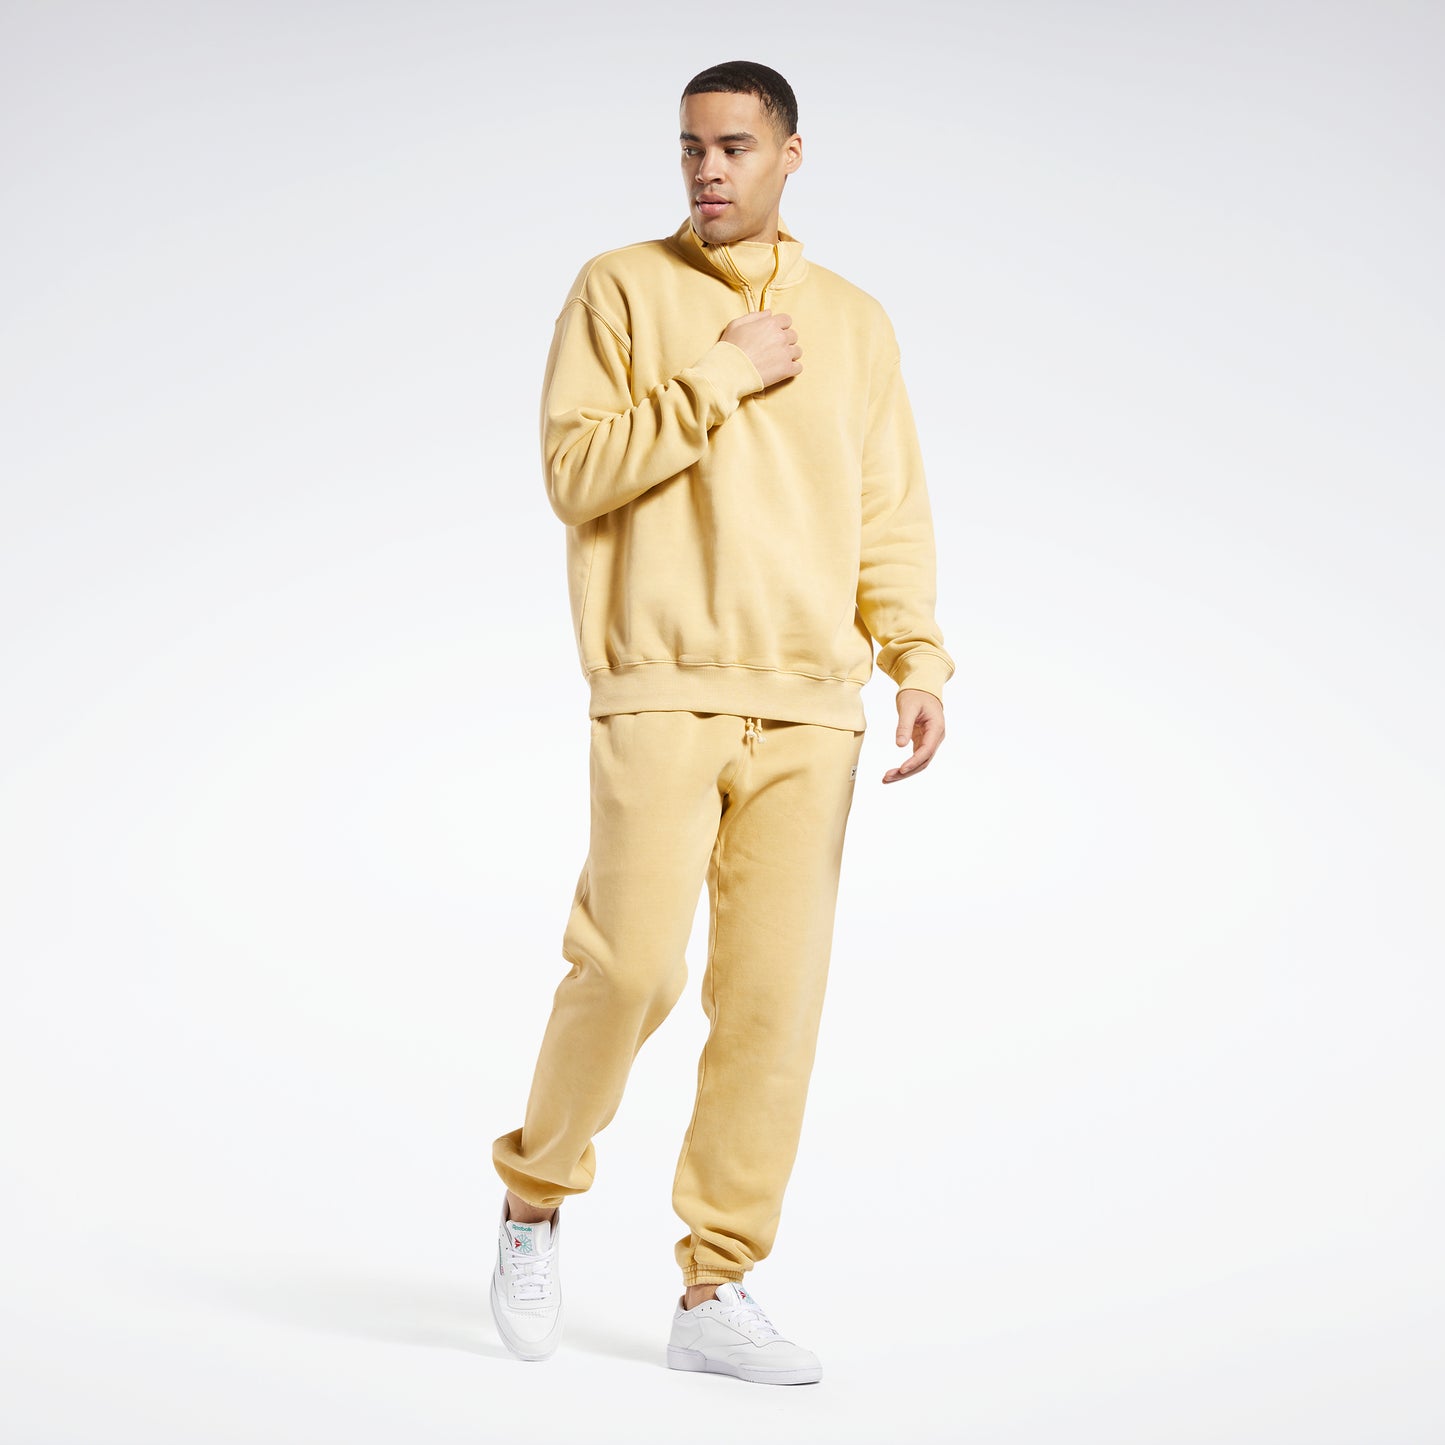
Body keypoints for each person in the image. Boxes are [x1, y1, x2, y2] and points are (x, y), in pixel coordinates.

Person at [489, 59, 954, 1386]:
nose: (707, 169)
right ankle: (532, 1195)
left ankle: (717, 1283)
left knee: (770, 1006)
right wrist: (720, 373)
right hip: (660, 681)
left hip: (812, 706)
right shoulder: (620, 290)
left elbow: (886, 507)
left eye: (735, 146)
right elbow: (575, 472)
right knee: (629, 968)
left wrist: (914, 655)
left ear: (789, 154)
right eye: (691, 146)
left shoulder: (854, 323)